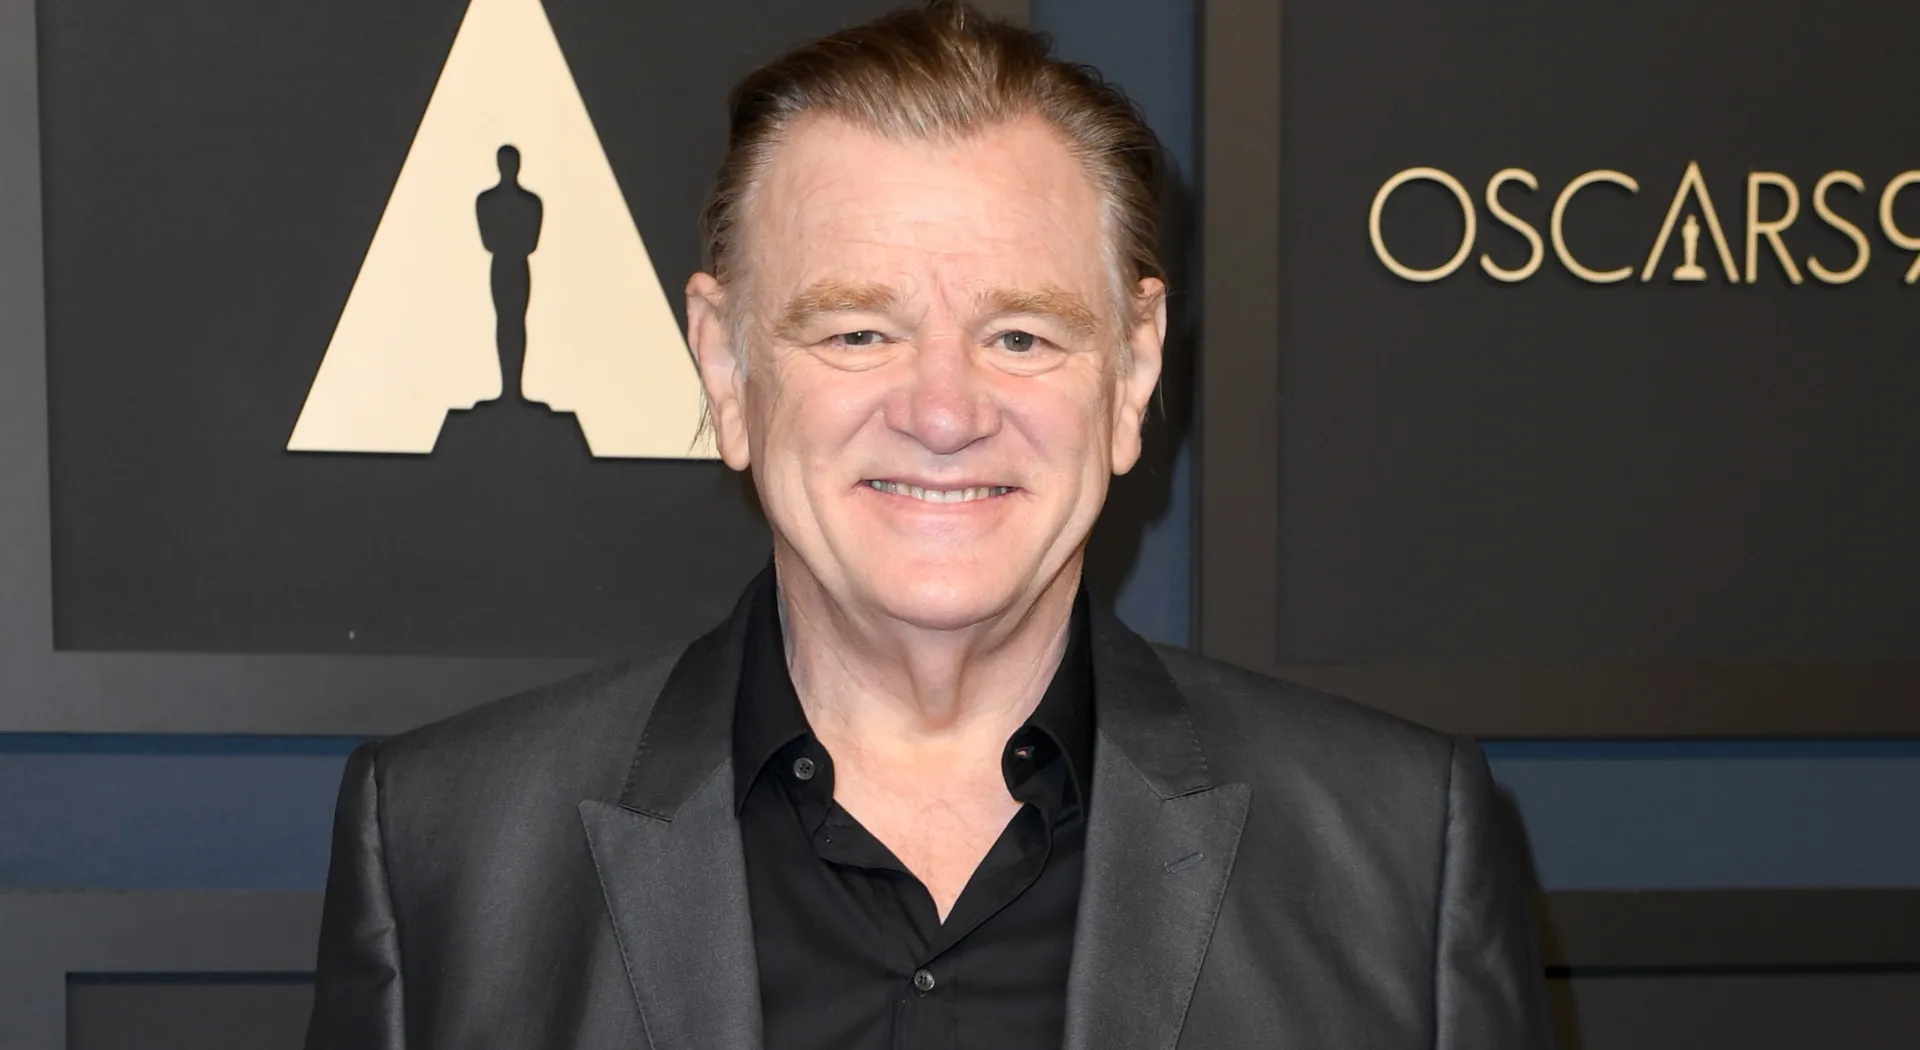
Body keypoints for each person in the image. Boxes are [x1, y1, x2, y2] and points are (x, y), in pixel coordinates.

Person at [304, 3, 1555, 1048]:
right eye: (859, 332)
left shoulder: (1398, 852)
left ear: (1130, 375)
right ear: (728, 372)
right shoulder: (447, 853)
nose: (946, 412)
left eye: (1021, 335)